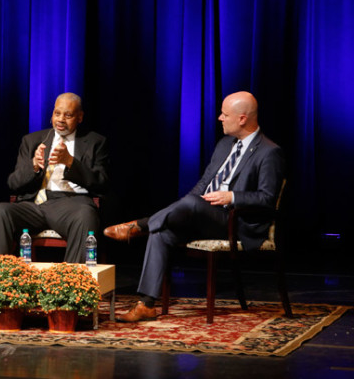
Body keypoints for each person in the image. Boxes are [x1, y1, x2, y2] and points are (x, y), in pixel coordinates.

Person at [104, 91, 285, 322]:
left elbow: (267, 198)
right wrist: (186, 207)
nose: (220, 118)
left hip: (236, 222)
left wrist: (232, 196)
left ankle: (139, 225)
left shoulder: (269, 152)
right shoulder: (224, 144)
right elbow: (203, 185)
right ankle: (146, 305)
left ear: (242, 118)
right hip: (205, 216)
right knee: (163, 231)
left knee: (189, 204)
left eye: (224, 114)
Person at [0, 92, 110, 263]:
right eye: (57, 113)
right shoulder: (32, 140)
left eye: (68, 115)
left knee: (85, 215)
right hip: (36, 204)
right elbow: (13, 183)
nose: (60, 119)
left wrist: (71, 163)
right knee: (1, 211)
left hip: (72, 204)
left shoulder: (95, 142)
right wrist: (34, 166)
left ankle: (71, 283)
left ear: (80, 117)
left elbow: (101, 182)